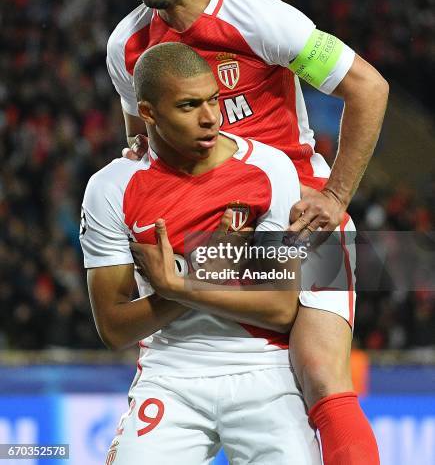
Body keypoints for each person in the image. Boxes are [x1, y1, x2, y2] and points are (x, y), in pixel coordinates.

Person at [107, 0, 387, 463]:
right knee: (179, 373)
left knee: (320, 373)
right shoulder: (127, 47)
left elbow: (368, 86)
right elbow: (142, 145)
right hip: (204, 233)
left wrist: (335, 195)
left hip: (295, 219)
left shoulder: (258, 18)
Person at [81, 42, 321, 464]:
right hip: (171, 373)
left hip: (264, 370)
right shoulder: (111, 188)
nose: (211, 117)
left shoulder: (268, 169)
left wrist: (183, 284)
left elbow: (281, 309)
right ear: (149, 113)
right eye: (190, 105)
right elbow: (115, 329)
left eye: (213, 99)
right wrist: (204, 275)